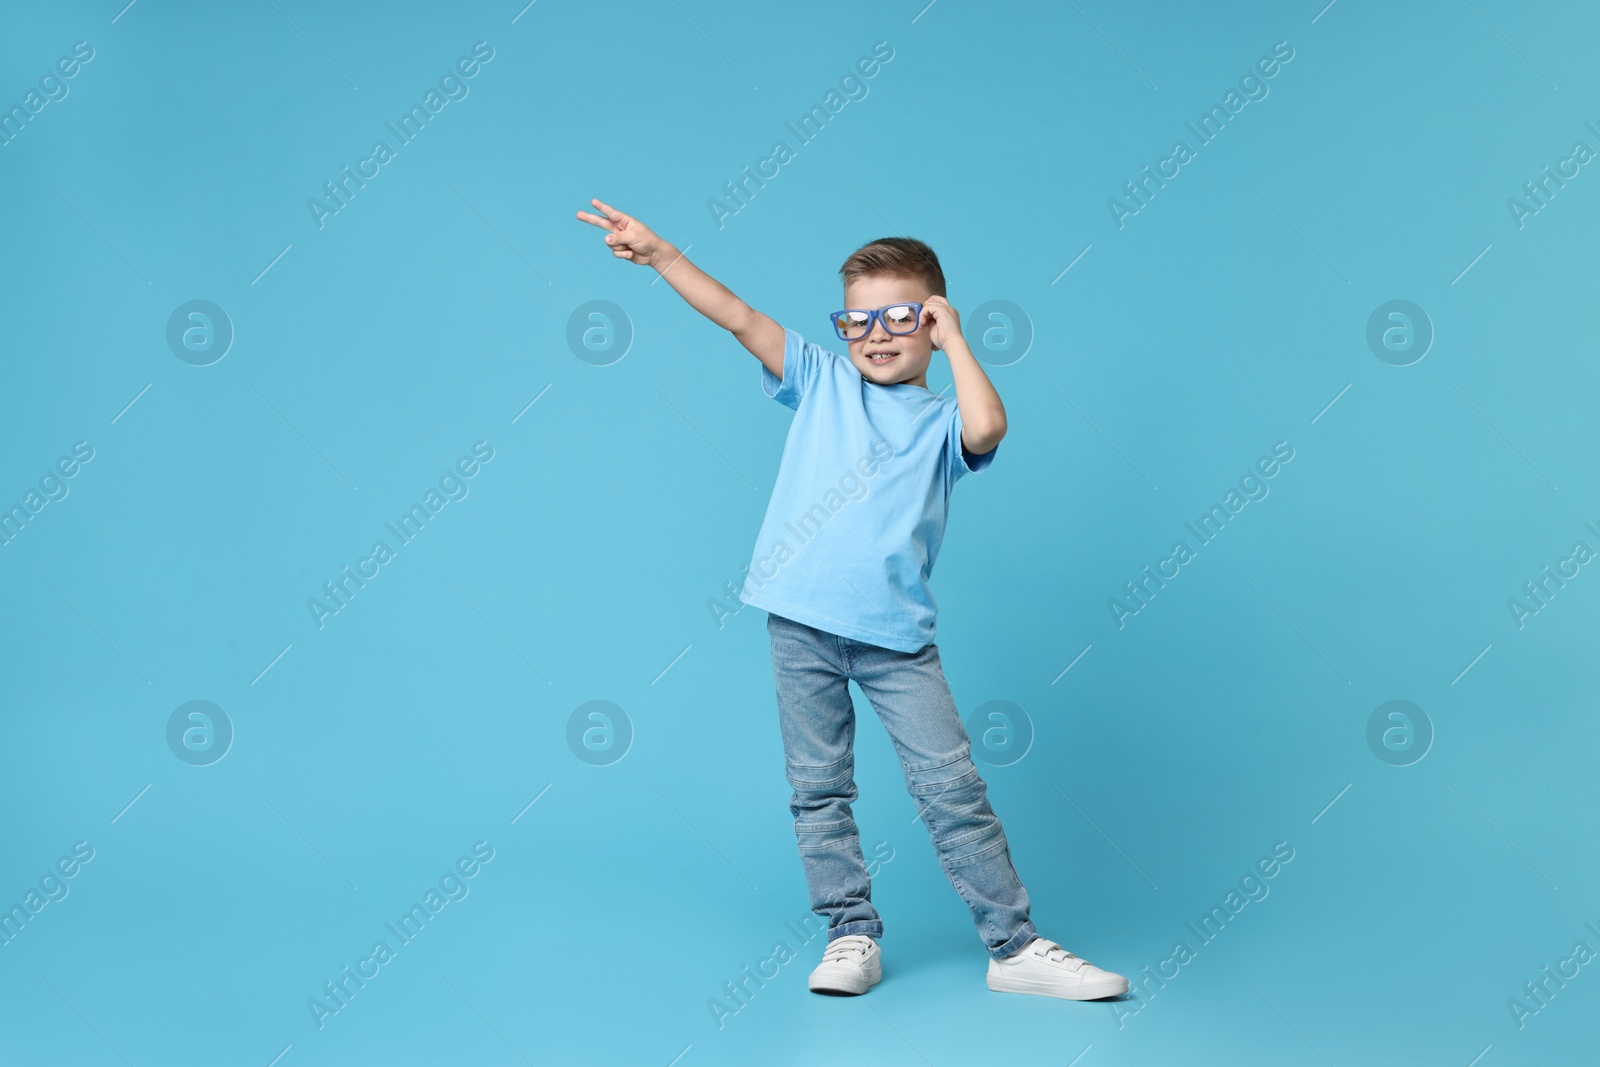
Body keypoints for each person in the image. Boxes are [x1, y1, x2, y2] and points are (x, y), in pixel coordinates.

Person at [575, 197, 1128, 1002]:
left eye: (900, 317)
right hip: (799, 625)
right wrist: (662, 255)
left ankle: (1013, 945)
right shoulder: (821, 380)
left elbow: (987, 425)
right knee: (819, 788)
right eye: (858, 319)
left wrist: (959, 337)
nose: (874, 334)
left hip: (895, 637)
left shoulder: (940, 421)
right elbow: (738, 315)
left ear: (933, 322)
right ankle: (849, 933)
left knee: (952, 791)